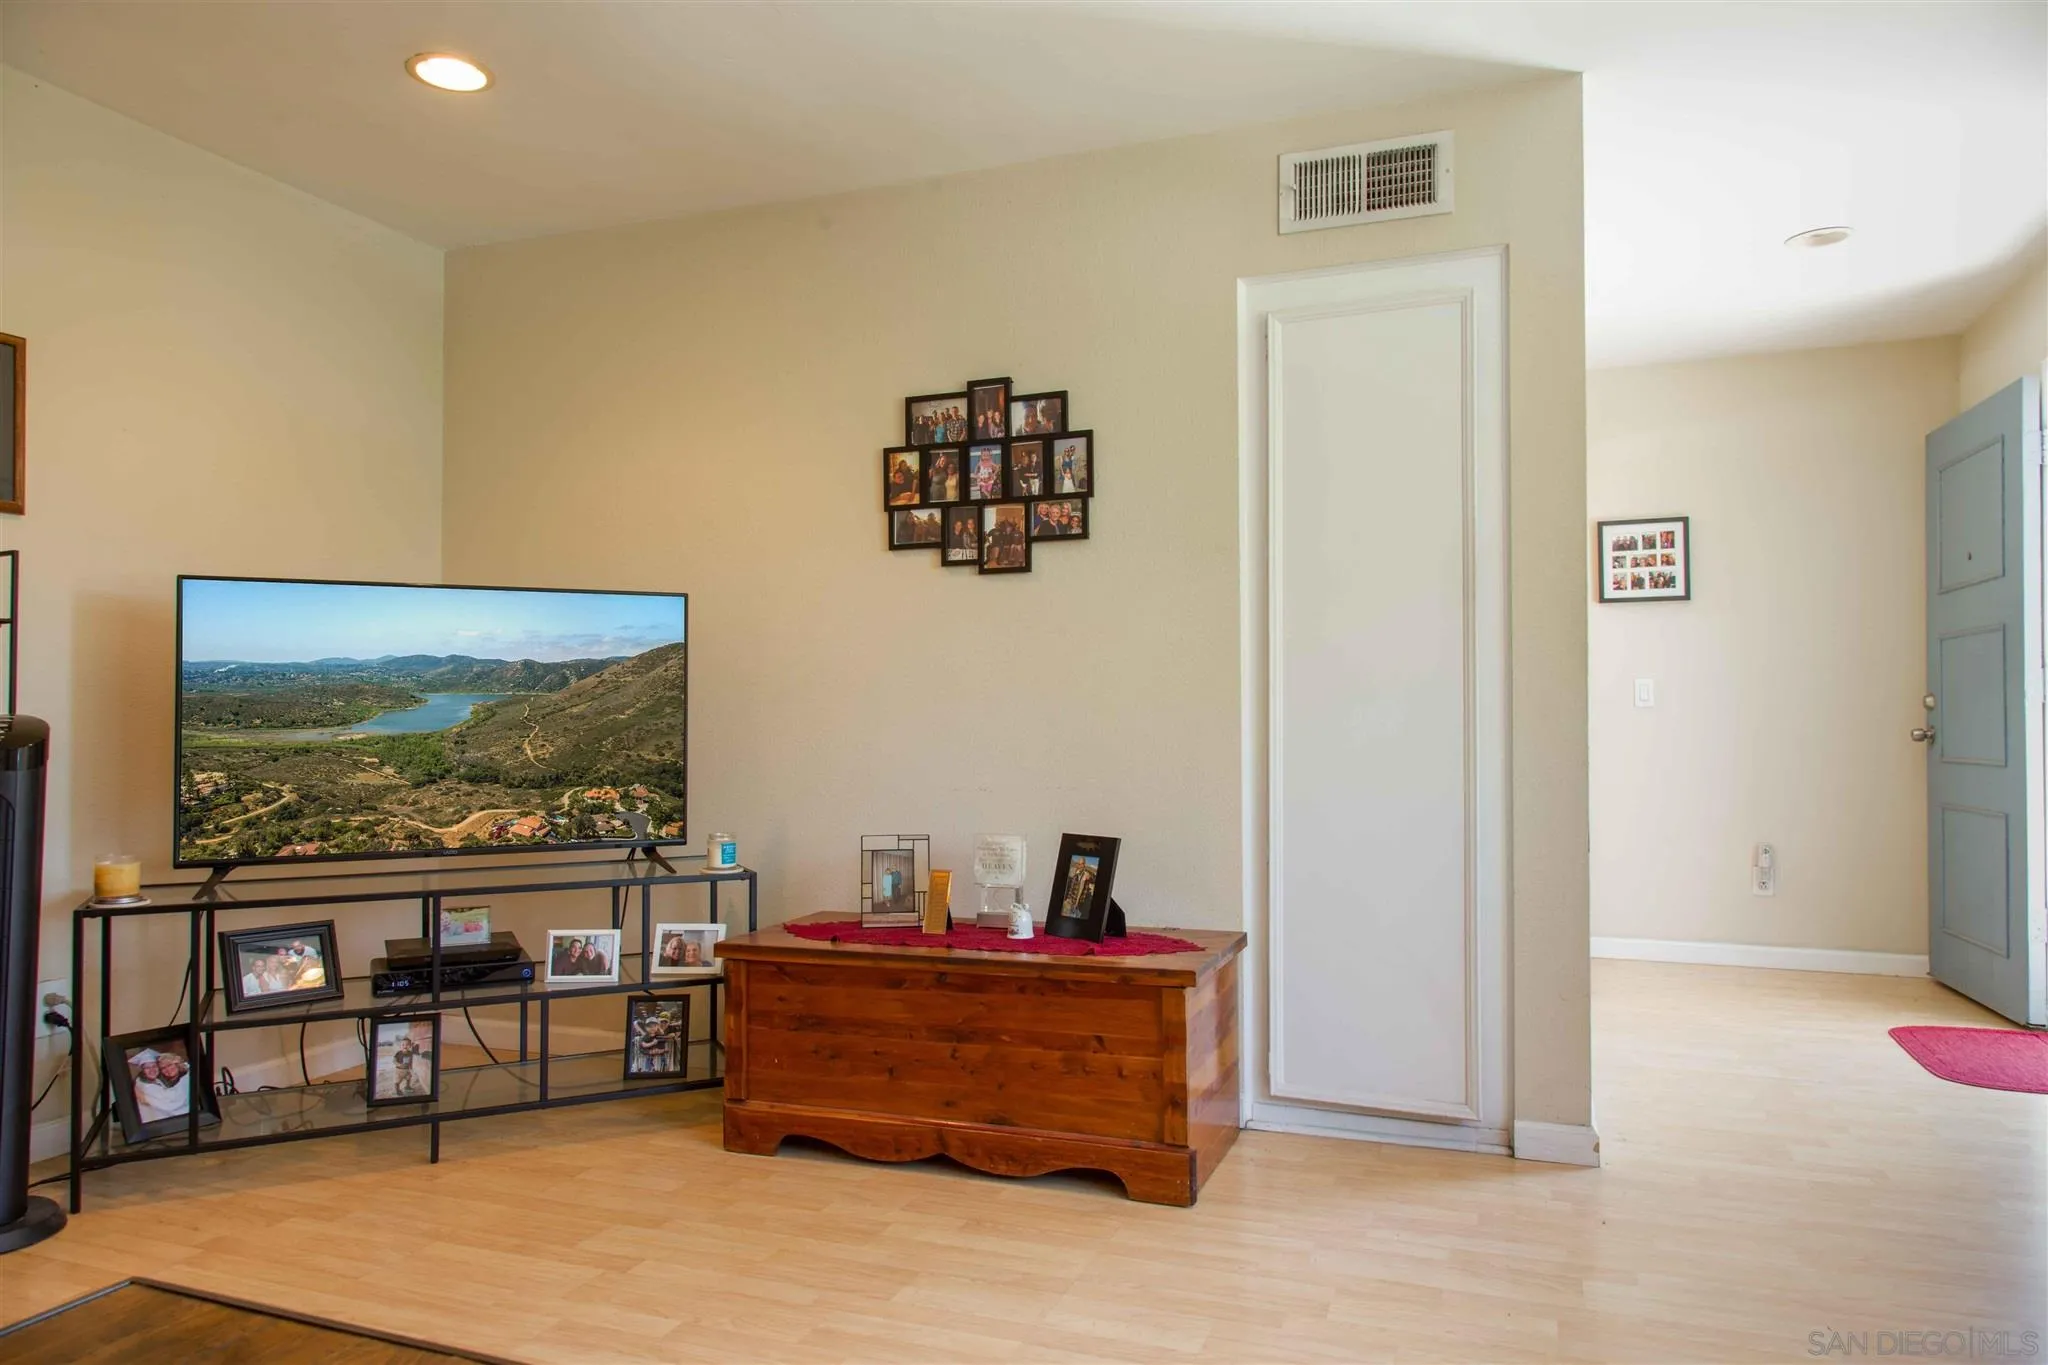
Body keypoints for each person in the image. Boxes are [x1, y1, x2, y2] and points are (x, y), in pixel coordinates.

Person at [390, 1032, 424, 1097]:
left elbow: (416, 1053)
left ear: (410, 1046)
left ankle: (407, 1086)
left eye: (407, 1044)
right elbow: (394, 1060)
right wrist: (398, 1064)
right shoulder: (399, 1053)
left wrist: (415, 1045)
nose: (405, 1046)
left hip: (406, 1070)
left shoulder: (410, 1053)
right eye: (403, 1045)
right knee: (397, 1081)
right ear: (400, 1046)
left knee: (408, 1077)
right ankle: (397, 1090)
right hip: (399, 1070)